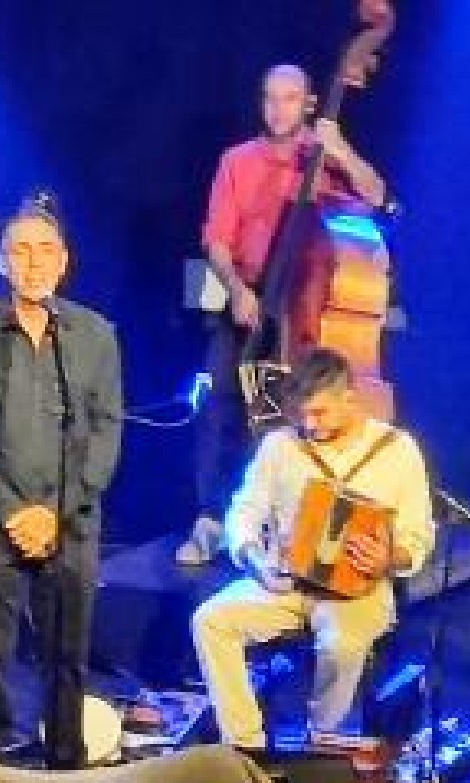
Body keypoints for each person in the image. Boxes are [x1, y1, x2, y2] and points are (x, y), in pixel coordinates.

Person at [0, 193, 123, 770]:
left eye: (45, 250)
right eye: (20, 251)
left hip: (71, 522)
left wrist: (56, 512)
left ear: (64, 261)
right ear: (3, 262)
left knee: (67, 656)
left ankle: (65, 767)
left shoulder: (95, 336)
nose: (34, 262)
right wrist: (12, 511)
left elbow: (105, 432)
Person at [179, 64, 388, 566]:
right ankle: (211, 521)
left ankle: (293, 526)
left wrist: (341, 150)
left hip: (308, 310)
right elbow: (217, 240)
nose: (278, 109)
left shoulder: (325, 158)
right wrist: (237, 292)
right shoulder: (237, 161)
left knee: (300, 415)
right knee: (220, 406)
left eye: (290, 98)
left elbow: (379, 197)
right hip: (250, 298)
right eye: (270, 98)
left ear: (310, 104)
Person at [191, 347, 432, 750]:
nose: (309, 424)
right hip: (284, 584)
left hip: (358, 592)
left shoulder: (397, 451)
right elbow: (244, 511)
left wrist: (388, 559)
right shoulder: (280, 446)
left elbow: (418, 535)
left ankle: (321, 743)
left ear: (349, 399)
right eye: (301, 414)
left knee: (340, 645)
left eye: (320, 413)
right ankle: (246, 746)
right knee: (210, 621)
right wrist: (255, 561)